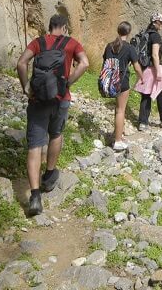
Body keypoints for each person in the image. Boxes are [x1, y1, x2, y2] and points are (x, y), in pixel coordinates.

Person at [16, 13, 88, 216]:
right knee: (56, 134)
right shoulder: (72, 43)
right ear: (64, 27)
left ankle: (35, 196)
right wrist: (69, 81)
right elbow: (85, 63)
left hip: (37, 99)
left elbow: (21, 63)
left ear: (49, 27)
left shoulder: (38, 42)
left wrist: (26, 87)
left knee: (35, 145)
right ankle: (49, 175)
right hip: (60, 99)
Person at [100, 21, 137, 151]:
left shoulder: (109, 46)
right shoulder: (129, 48)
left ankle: (118, 135)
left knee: (117, 109)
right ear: (128, 32)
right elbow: (137, 66)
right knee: (120, 110)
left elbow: (105, 61)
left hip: (110, 81)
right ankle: (118, 141)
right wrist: (142, 78)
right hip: (122, 82)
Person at [135, 12, 162, 131]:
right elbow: (155, 55)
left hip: (145, 68)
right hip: (154, 68)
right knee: (158, 93)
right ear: (155, 22)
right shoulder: (155, 36)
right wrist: (158, 71)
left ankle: (144, 122)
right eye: (161, 22)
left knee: (147, 94)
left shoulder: (146, 34)